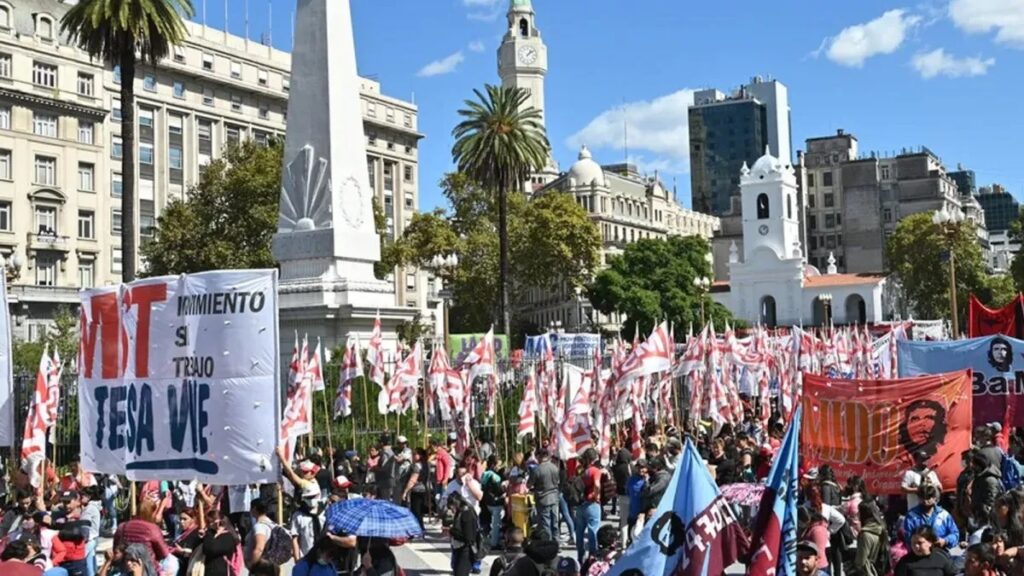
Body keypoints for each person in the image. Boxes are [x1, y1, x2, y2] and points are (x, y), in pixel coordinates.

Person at [113, 499, 170, 570]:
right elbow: (164, 553)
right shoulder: (152, 528)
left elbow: (115, 548)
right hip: (147, 568)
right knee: (173, 562)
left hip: (126, 567)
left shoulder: (122, 526)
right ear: (152, 513)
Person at [903, 485, 959, 552]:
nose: (925, 501)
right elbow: (907, 538)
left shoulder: (943, 514)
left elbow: (955, 534)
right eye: (923, 497)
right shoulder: (911, 516)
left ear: (935, 498)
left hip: (940, 553)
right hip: (918, 554)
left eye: (928, 497)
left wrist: (945, 541)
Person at [574, 449, 603, 564]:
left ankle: (580, 555)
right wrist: (597, 495)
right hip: (592, 503)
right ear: (594, 458)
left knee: (579, 532)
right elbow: (597, 484)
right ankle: (592, 555)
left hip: (580, 504)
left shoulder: (581, 470)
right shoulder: (595, 471)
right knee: (593, 530)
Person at [527, 449, 561, 543]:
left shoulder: (536, 470)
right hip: (554, 497)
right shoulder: (554, 467)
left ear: (538, 457)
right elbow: (558, 481)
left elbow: (529, 484)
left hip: (543, 498)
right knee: (555, 521)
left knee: (545, 522)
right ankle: (556, 541)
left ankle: (548, 543)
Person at [851, 501, 888, 576]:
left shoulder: (865, 534)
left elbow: (861, 561)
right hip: (879, 570)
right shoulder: (881, 528)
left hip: (867, 572)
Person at [449, 492, 480, 576]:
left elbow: (468, 538)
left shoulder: (467, 514)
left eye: (451, 506)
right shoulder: (461, 512)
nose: (451, 510)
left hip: (466, 550)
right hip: (460, 548)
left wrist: (451, 531)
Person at [402, 448, 429, 530]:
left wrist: (405, 491)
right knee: (419, 511)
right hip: (424, 489)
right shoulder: (426, 464)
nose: (413, 456)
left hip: (416, 490)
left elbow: (413, 479)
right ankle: (420, 527)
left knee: (415, 511)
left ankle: (417, 528)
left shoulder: (417, 466)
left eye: (414, 454)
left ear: (420, 455)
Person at [244, 499, 276, 568]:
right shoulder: (271, 524)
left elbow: (259, 548)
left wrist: (252, 565)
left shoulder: (260, 526)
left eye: (250, 508)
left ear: (254, 508)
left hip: (261, 568)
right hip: (269, 566)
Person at [626, 460, 648, 547]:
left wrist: (647, 481)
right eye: (639, 467)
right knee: (631, 539)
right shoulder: (631, 479)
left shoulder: (649, 480)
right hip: (632, 513)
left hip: (643, 515)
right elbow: (628, 492)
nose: (640, 470)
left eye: (642, 468)